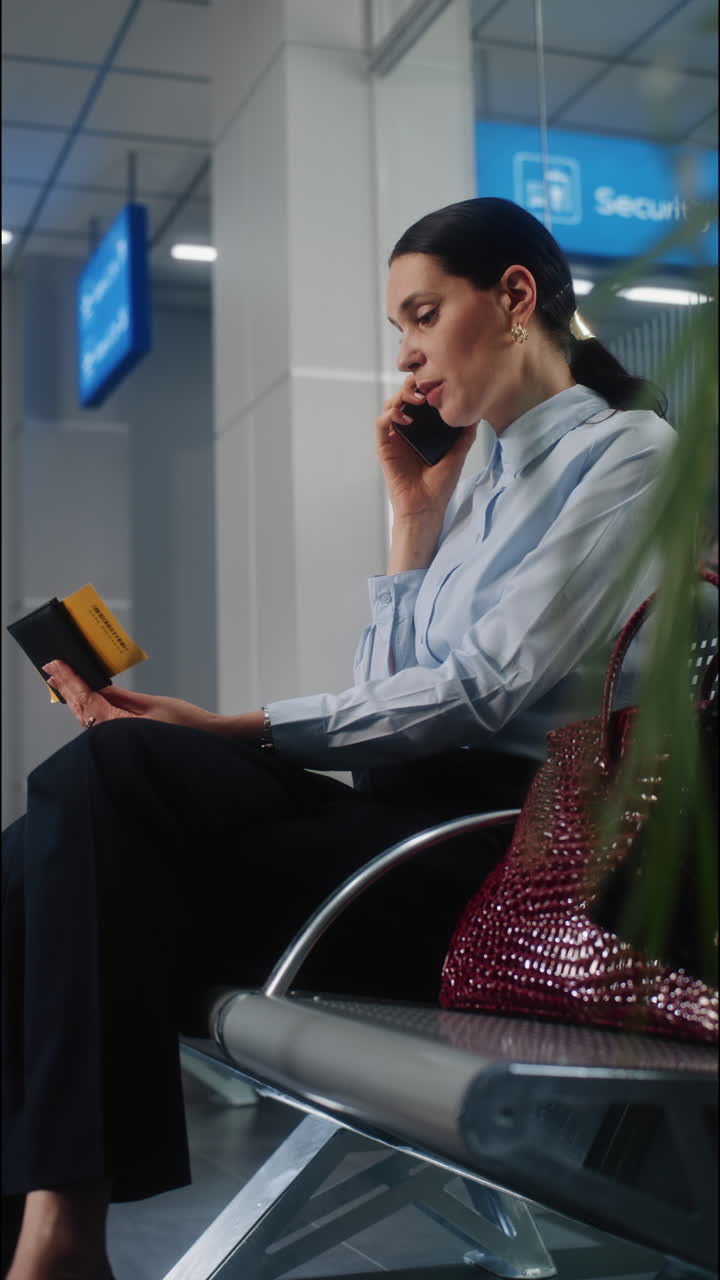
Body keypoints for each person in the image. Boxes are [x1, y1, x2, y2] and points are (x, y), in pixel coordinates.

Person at [2, 196, 673, 1279]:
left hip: (499, 857)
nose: (406, 355)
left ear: (514, 298)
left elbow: (479, 691)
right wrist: (414, 517)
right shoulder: (479, 486)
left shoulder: (630, 456)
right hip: (403, 826)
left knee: (116, 783)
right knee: (73, 811)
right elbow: (386, 718)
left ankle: (64, 1229)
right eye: (399, 329)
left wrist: (238, 729)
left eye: (422, 316)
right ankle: (47, 1226)